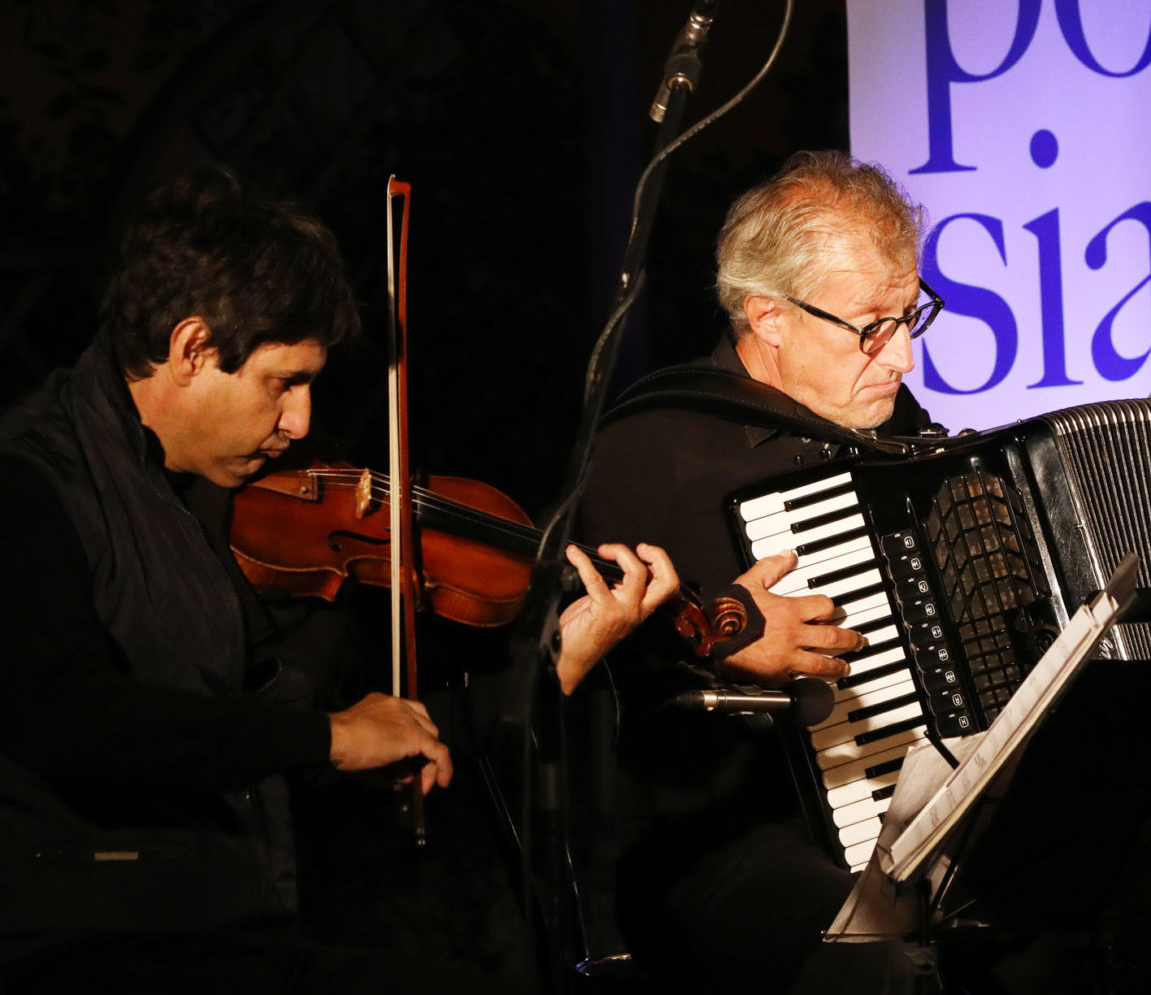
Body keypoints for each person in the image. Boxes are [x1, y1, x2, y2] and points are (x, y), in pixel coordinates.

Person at [581, 150, 1151, 993]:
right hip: (733, 838)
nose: (902, 359)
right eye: (871, 327)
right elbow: (581, 654)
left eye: (908, 318)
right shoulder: (651, 447)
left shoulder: (903, 439)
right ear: (768, 316)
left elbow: (1031, 639)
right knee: (874, 960)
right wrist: (716, 638)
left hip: (943, 826)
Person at [0, 168, 676, 992]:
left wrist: (542, 675)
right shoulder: (29, 482)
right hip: (83, 947)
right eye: (283, 382)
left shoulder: (194, 508)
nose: (301, 424)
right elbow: (68, 719)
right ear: (192, 350)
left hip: (221, 933)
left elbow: (330, 736)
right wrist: (328, 738)